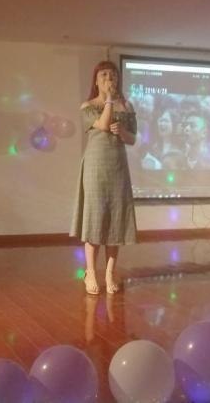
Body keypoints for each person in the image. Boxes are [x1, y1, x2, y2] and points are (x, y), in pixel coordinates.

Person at [71, 60, 137, 295]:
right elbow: (101, 124)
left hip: (118, 167)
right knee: (94, 219)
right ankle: (90, 272)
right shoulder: (88, 106)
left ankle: (109, 273)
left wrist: (123, 132)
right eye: (104, 75)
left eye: (113, 75)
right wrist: (109, 99)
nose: (109, 79)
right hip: (95, 167)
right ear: (96, 81)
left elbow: (132, 139)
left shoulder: (126, 106)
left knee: (115, 220)